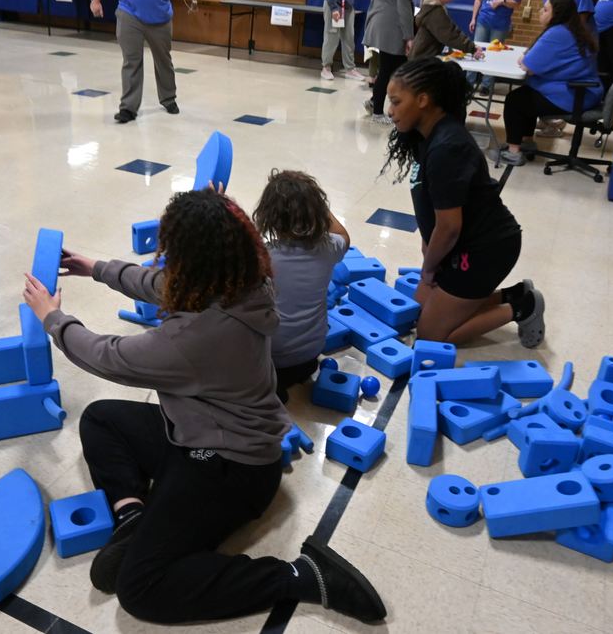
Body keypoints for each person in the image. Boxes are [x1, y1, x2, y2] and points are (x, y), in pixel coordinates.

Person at [21, 189, 386, 625]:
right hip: (199, 435)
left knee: (140, 590)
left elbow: (107, 355)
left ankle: (300, 576)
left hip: (232, 468)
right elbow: (163, 287)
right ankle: (134, 518)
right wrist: (95, 267)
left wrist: (53, 319)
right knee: (102, 419)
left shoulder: (191, 341)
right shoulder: (247, 281)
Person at [383, 58, 544, 347]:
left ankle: (524, 306)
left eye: (396, 101)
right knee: (422, 309)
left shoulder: (447, 147)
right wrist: (428, 258)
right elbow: (430, 209)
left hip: (487, 249)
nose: (390, 111)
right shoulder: (425, 136)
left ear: (423, 100)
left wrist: (429, 271)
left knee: (430, 335)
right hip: (460, 247)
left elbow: (449, 227)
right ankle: (512, 294)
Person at [252, 170, 350, 403]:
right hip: (309, 356)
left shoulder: (263, 256)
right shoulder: (329, 248)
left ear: (269, 217)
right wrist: (314, 206)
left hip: (269, 358)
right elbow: (344, 235)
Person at [500, 0, 602, 166]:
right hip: (584, 92)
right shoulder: (572, 30)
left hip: (574, 95)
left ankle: (513, 152)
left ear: (557, 14)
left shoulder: (558, 33)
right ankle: (526, 143)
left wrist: (525, 60)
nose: (541, 11)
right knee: (526, 95)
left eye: (545, 9)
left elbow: (527, 65)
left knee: (515, 101)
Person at [90, 0, 190, 123]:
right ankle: (128, 108)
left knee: (163, 60)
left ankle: (168, 98)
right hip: (129, 13)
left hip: (160, 16)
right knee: (131, 61)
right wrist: (96, 0)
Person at [539, 0, 594, 138]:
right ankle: (548, 118)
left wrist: (566, 42)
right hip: (555, 44)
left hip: (572, 45)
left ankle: (554, 121)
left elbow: (583, 16)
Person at [362, 0, 417, 123]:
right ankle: (377, 110)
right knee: (390, 70)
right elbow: (404, 7)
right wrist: (409, 36)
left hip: (377, 22)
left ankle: (374, 102)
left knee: (389, 68)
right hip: (392, 28)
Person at [468, 0, 523, 94]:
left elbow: (517, 3)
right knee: (476, 49)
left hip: (500, 24)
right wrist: (473, 18)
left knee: (494, 54)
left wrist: (503, 2)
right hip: (483, 19)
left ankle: (487, 85)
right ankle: (469, 82)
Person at [411, 0, 480, 62]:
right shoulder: (435, 12)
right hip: (422, 61)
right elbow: (450, 35)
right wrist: (472, 48)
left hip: (421, 58)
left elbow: (451, 29)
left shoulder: (432, 8)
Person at [321, 0, 365, 81]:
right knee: (332, 37)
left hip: (348, 6)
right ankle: (326, 67)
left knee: (349, 38)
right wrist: (334, 8)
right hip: (336, 5)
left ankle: (350, 69)